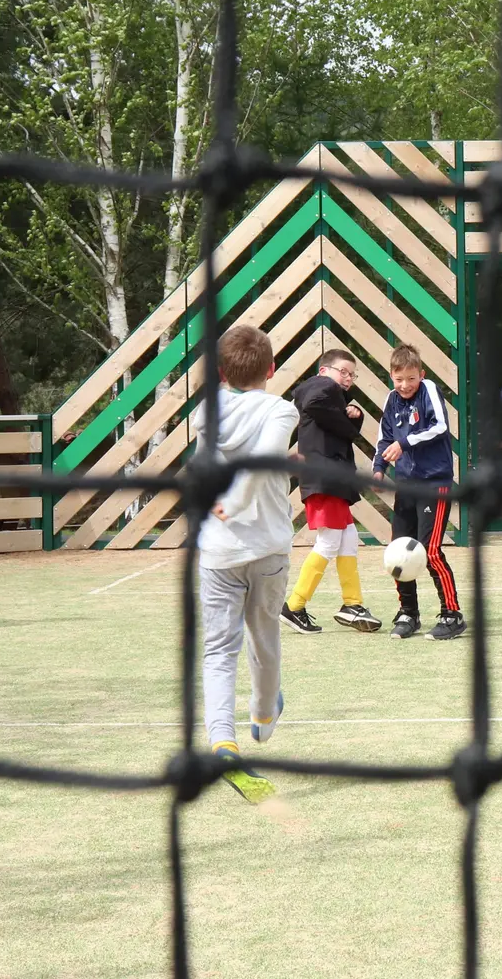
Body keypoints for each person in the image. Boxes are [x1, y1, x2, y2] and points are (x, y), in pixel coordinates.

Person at [196, 325, 300, 804]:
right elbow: (262, 460)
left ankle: (223, 742)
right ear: (272, 369)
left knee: (218, 649)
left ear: (220, 373)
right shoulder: (280, 409)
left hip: (217, 551)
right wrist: (237, 501)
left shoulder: (208, 413)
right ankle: (262, 717)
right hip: (268, 549)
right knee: (264, 639)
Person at [282, 348, 378, 635]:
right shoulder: (322, 386)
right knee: (330, 541)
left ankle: (353, 604)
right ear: (324, 371)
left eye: (352, 374)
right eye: (343, 372)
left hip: (331, 478)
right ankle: (294, 606)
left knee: (348, 538)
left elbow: (341, 428)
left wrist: (351, 416)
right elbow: (313, 401)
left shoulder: (330, 395)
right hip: (324, 478)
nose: (347, 379)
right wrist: (347, 416)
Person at [376, 344, 463, 640]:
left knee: (432, 550)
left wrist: (406, 443)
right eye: (399, 379)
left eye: (411, 378)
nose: (405, 385)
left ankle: (452, 614)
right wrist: (379, 468)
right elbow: (385, 436)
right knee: (398, 553)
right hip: (405, 485)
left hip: (434, 483)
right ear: (391, 377)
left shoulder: (429, 390)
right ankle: (408, 613)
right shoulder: (392, 399)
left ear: (421, 374)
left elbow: (440, 427)